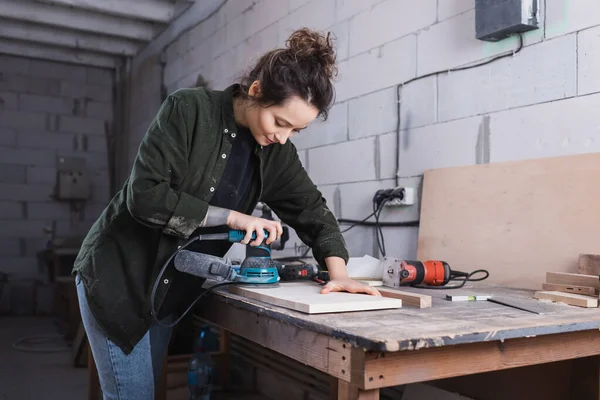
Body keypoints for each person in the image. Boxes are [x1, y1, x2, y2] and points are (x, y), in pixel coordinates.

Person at [72, 27, 381, 399]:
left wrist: (340, 273)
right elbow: (145, 197)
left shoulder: (276, 153)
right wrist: (232, 217)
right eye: (280, 122)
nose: (284, 137)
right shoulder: (188, 110)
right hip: (119, 277)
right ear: (255, 92)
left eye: (296, 130)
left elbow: (311, 210)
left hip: (166, 289)